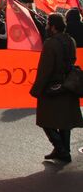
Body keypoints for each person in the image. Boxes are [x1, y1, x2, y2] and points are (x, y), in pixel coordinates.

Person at [30, 13, 83, 162]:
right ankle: (62, 150)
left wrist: (37, 88)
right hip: (69, 85)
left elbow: (45, 69)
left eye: (48, 24)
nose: (46, 27)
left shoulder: (50, 43)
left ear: (53, 27)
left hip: (53, 87)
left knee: (45, 120)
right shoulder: (70, 40)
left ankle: (61, 149)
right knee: (64, 122)